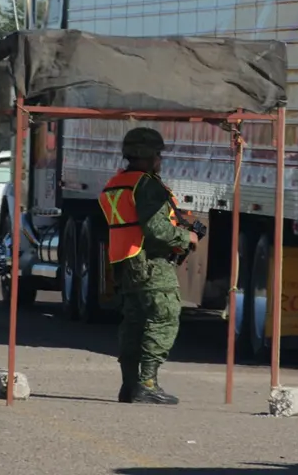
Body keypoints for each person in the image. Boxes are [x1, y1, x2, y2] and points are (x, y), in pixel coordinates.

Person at [98, 127, 200, 405]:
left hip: (126, 263)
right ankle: (147, 384)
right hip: (151, 264)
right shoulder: (147, 185)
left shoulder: (116, 183)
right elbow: (155, 229)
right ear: (148, 155)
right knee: (163, 319)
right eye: (157, 154)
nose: (160, 160)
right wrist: (186, 236)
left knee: (134, 324)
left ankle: (130, 386)